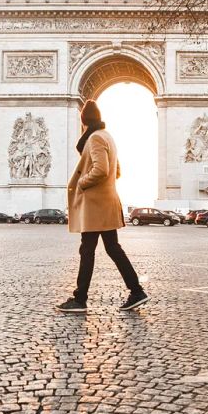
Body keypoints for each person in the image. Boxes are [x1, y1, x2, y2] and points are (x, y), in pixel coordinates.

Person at [56, 99, 149, 313]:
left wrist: (81, 182)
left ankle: (80, 299)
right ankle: (136, 291)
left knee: (87, 250)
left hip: (95, 205)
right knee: (112, 248)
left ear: (83, 121)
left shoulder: (95, 138)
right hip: (106, 202)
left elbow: (101, 170)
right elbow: (117, 171)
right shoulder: (108, 137)